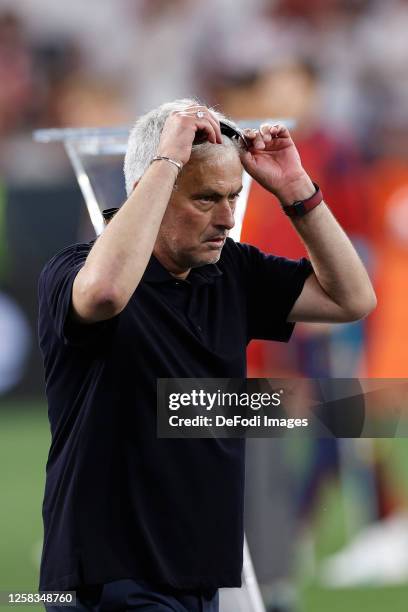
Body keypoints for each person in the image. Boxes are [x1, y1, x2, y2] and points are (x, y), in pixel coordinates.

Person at [37, 99, 376, 612]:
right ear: (147, 190)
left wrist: (295, 192)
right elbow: (104, 294)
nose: (226, 218)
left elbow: (352, 298)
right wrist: (166, 159)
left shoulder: (229, 270)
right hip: (109, 578)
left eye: (233, 197)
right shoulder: (76, 269)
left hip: (200, 579)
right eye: (205, 199)